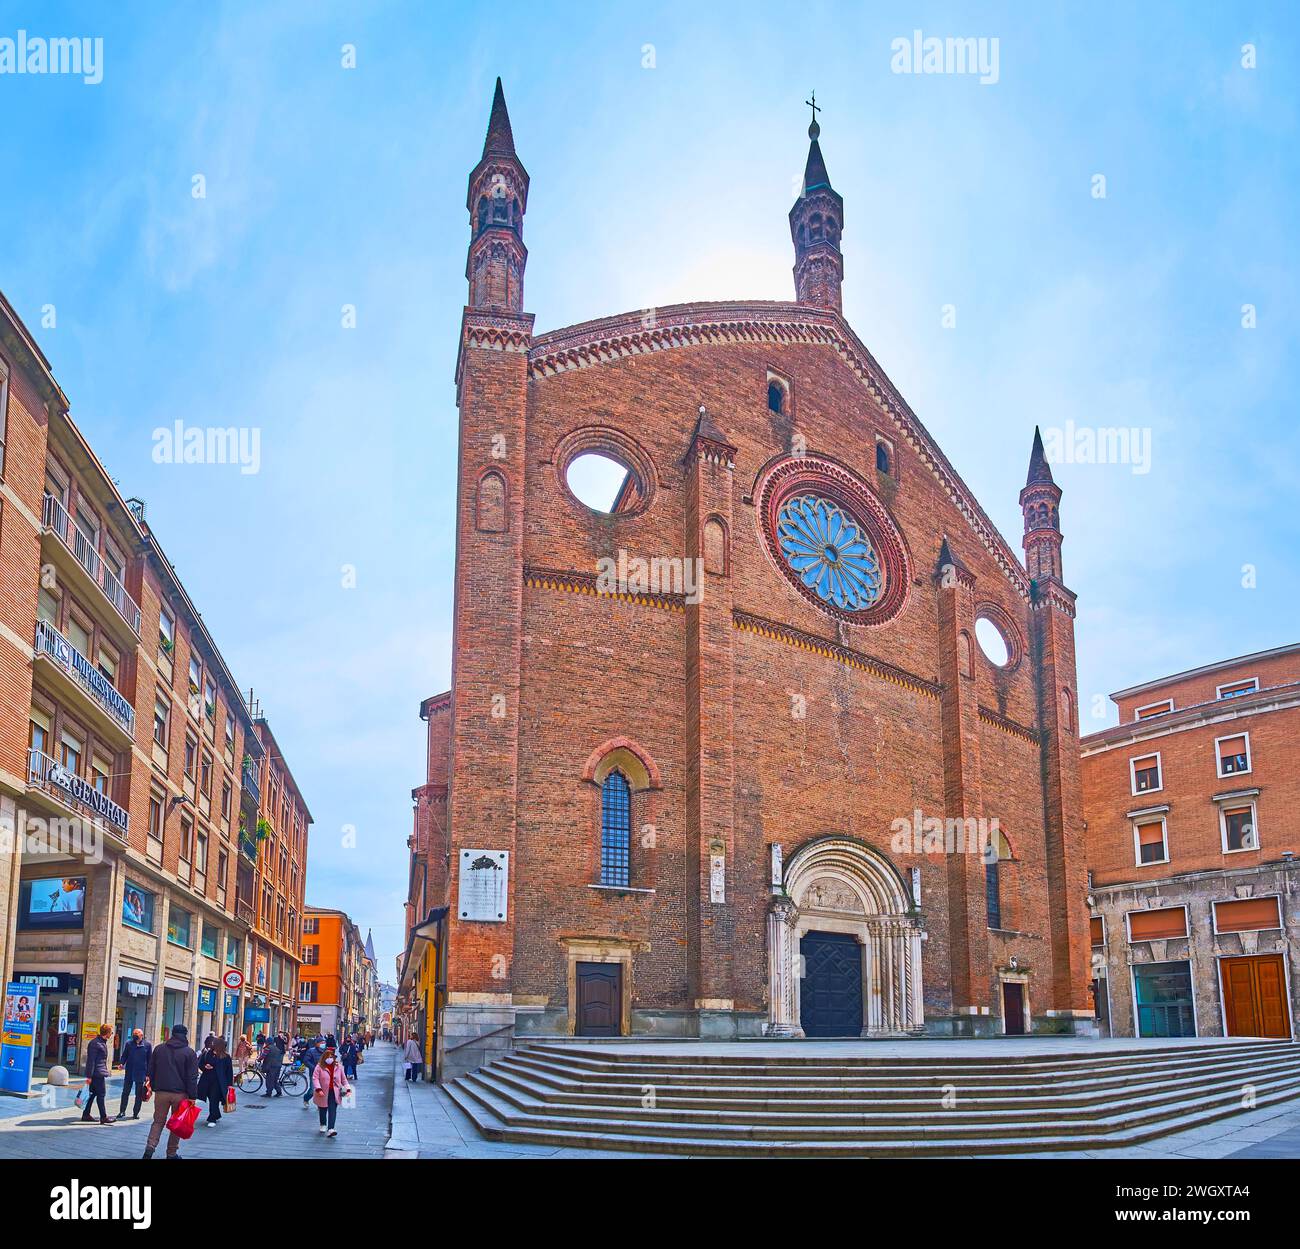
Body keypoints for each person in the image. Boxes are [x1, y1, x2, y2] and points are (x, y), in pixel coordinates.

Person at [143, 1023, 199, 1159]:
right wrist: (192, 1096)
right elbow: (192, 1077)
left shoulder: (159, 1049)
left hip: (161, 1092)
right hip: (181, 1094)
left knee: (158, 1122)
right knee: (177, 1124)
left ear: (172, 1034)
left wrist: (154, 1086)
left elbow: (150, 1070)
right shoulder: (189, 1052)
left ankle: (150, 1148)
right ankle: (171, 1153)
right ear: (184, 1035)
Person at [311, 1046, 352, 1138]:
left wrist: (348, 1089)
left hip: (335, 1092)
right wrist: (318, 1089)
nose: (330, 1059)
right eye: (328, 1057)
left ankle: (331, 1129)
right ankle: (323, 1124)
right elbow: (315, 1078)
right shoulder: (319, 1067)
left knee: (332, 1110)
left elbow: (344, 1080)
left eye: (331, 1057)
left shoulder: (338, 1067)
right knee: (323, 1108)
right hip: (323, 1091)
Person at [80, 1024, 114, 1124]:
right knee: (101, 1094)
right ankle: (103, 1117)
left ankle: (86, 1114)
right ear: (107, 1033)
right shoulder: (96, 1043)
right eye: (111, 1032)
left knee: (93, 1094)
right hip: (97, 1074)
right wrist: (89, 1076)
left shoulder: (101, 1042)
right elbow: (91, 1061)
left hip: (98, 1072)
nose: (111, 1034)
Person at [197, 1036, 233, 1126]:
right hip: (206, 1081)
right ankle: (216, 1114)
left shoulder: (226, 1056)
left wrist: (229, 1084)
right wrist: (205, 1067)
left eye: (214, 1043)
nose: (212, 1044)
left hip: (218, 1083)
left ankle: (212, 1118)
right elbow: (200, 1064)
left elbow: (229, 1071)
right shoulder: (207, 1054)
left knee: (214, 1099)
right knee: (211, 1098)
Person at [117, 1028, 152, 1119]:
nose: (135, 1035)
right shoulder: (129, 1044)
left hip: (141, 1072)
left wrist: (148, 1074)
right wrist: (121, 1063)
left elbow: (150, 1060)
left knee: (139, 1094)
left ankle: (136, 1113)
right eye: (133, 1033)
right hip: (130, 1071)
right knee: (125, 1092)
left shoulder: (147, 1045)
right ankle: (122, 1111)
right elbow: (124, 1055)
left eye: (136, 1033)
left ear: (141, 1035)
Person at [300, 1035, 324, 1107]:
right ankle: (306, 1099)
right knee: (312, 1089)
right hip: (314, 1073)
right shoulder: (311, 1051)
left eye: (324, 1042)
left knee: (322, 1089)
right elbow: (306, 1061)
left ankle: (319, 1103)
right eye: (321, 1042)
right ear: (317, 1043)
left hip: (324, 1074)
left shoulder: (325, 1051)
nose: (323, 1044)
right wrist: (313, 1067)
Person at [260, 1031, 285, 1097]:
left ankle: (269, 1093)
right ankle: (279, 1092)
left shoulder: (268, 1048)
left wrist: (258, 1059)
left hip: (271, 1066)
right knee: (275, 1080)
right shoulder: (276, 1048)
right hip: (278, 1065)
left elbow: (263, 1056)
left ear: (267, 1042)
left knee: (269, 1080)